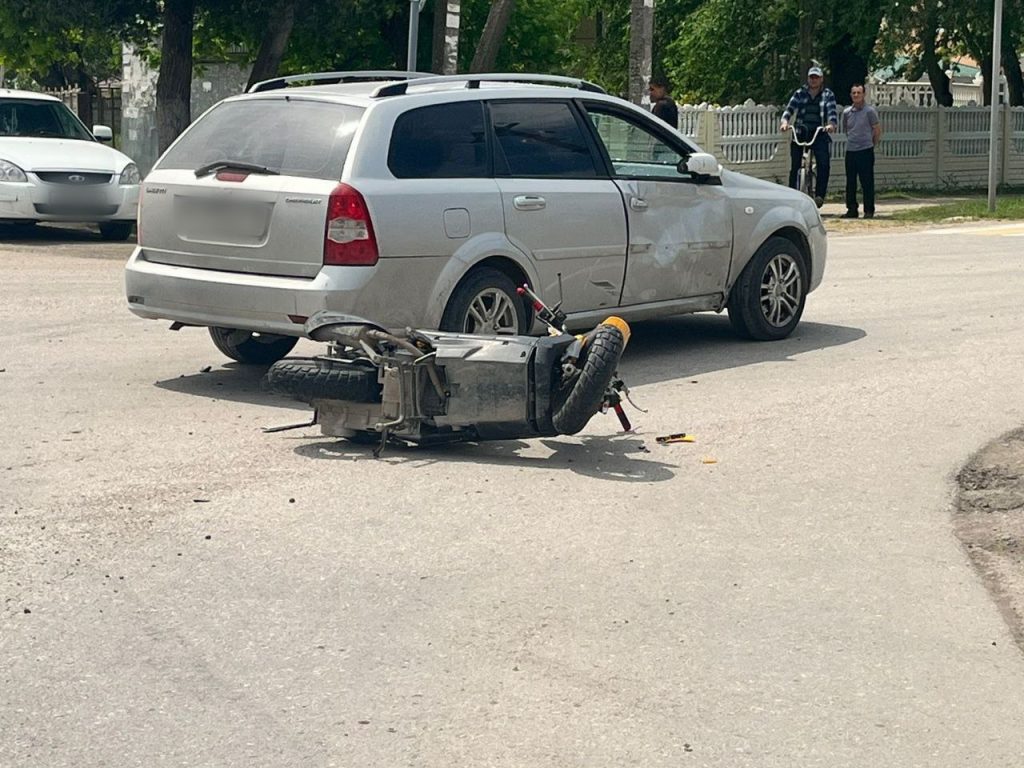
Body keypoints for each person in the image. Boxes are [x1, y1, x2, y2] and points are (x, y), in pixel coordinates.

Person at [779, 66, 838, 207]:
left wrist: (830, 125)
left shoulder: (827, 95)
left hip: (819, 132)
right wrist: (785, 122)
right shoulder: (800, 93)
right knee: (795, 167)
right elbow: (789, 110)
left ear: (821, 79)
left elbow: (831, 113)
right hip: (801, 132)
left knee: (824, 164)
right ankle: (792, 195)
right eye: (811, 77)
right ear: (808, 78)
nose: (813, 80)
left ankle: (819, 195)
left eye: (816, 77)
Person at [841, 83, 882, 218]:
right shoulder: (847, 112)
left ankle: (869, 210)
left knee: (867, 181)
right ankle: (852, 209)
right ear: (851, 95)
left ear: (864, 94)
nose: (856, 95)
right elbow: (846, 129)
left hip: (865, 150)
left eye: (859, 93)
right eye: (854, 93)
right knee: (850, 181)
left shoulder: (869, 111)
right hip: (851, 150)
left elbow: (876, 129)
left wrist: (872, 144)